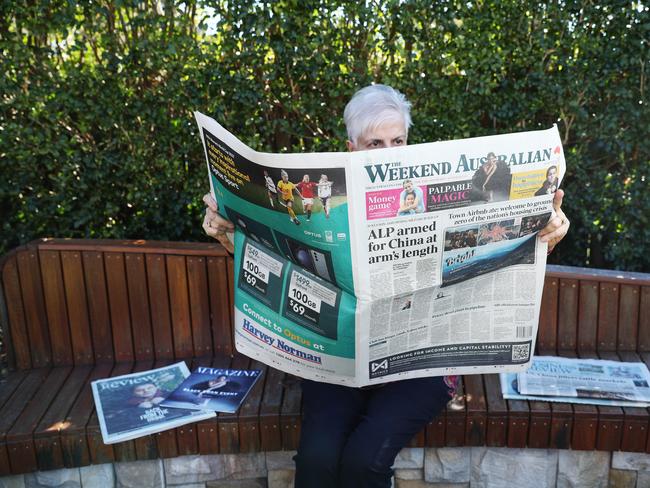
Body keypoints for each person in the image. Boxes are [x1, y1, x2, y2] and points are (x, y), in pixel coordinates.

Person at [201, 84, 570, 487]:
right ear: (351, 149)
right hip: (340, 357)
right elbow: (284, 265)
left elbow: (494, 256)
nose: (389, 150)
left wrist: (544, 234)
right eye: (374, 142)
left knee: (364, 461)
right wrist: (228, 237)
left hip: (420, 364)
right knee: (317, 459)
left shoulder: (439, 192)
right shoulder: (324, 210)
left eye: (398, 140)